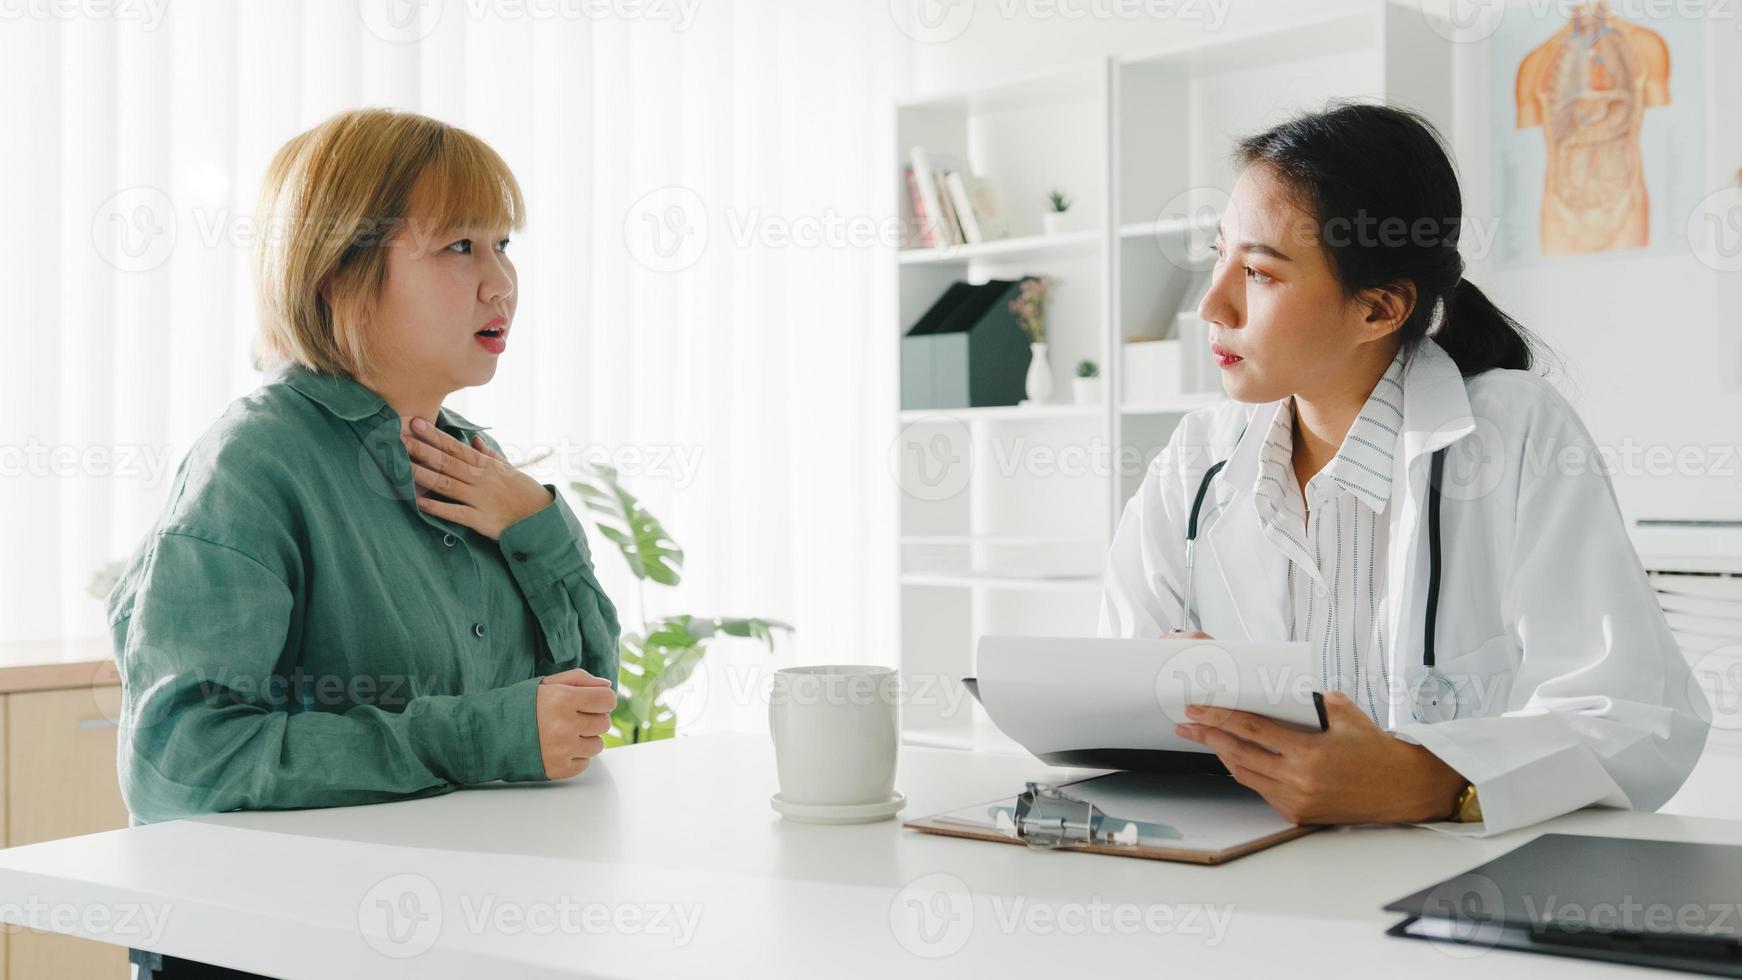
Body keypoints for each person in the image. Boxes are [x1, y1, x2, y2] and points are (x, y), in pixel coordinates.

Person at [105, 108, 621, 978]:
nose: (502, 284)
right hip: (278, 949)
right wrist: (475, 736)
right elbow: (181, 761)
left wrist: (539, 523)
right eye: (460, 247)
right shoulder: (256, 463)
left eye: (504, 244)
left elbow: (583, 707)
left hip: (449, 934)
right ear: (339, 273)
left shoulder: (475, 461)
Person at [1099, 102, 1708, 836]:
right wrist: (1162, 692)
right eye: (1219, 254)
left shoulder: (1515, 434)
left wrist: (1431, 779)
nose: (1210, 303)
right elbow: (1112, 690)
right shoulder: (1196, 459)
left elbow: (1640, 718)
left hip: (1465, 897)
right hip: (1250, 875)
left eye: (1258, 273)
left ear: (1380, 308)